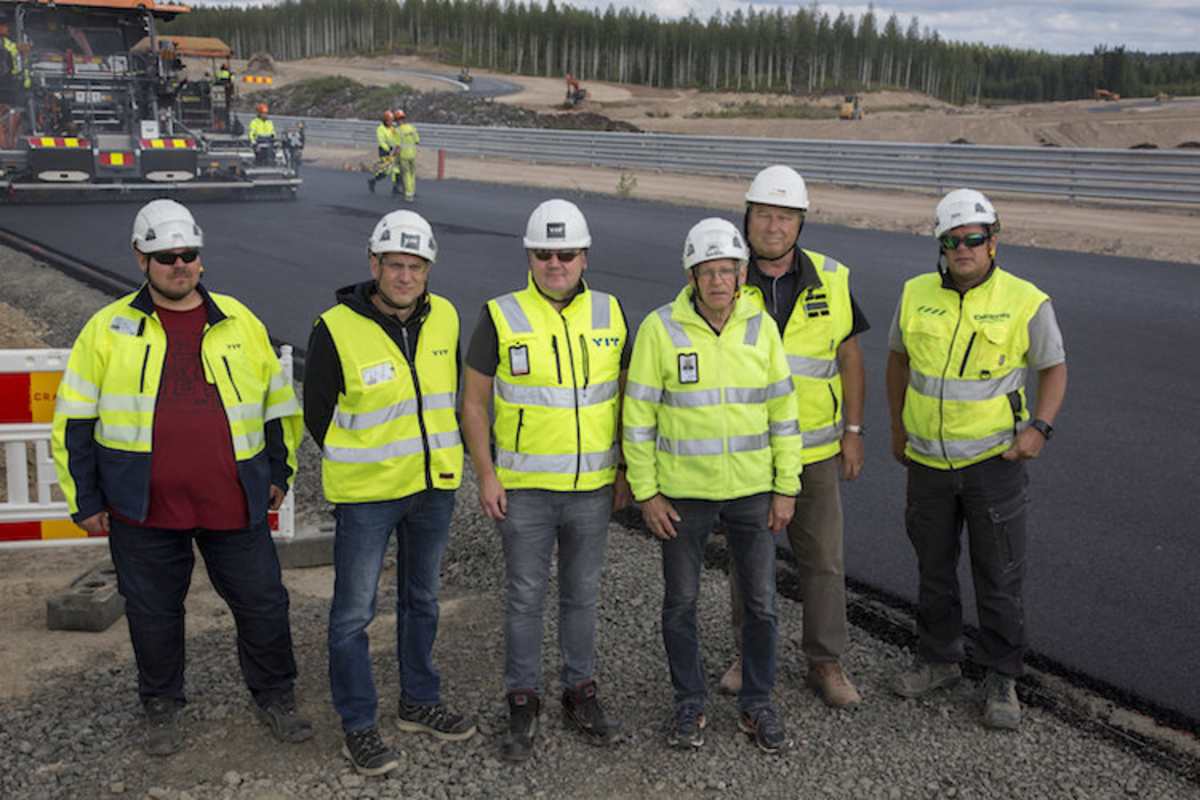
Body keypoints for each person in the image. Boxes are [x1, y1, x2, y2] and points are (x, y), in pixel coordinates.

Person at [50, 199, 311, 757]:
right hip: (141, 507)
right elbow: (73, 419)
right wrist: (86, 499)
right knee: (152, 613)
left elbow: (278, 409)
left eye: (188, 254)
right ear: (141, 259)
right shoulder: (108, 329)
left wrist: (279, 472)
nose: (179, 265)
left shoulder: (240, 321)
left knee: (264, 604)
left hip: (232, 502)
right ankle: (161, 704)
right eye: (164, 256)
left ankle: (276, 696)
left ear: (200, 257)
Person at [885, 188, 1067, 730]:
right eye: (952, 240)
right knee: (934, 569)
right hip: (929, 465)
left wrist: (1040, 429)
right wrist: (897, 428)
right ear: (940, 245)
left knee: (999, 572)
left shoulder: (1026, 300)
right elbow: (897, 362)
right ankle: (939, 659)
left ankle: (1001, 677)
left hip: (994, 462)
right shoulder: (915, 293)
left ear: (993, 241)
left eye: (973, 239)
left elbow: (1054, 368)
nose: (962, 248)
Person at [304, 210, 476, 776]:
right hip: (368, 496)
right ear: (373, 265)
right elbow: (319, 414)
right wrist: (369, 462)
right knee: (354, 614)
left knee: (422, 600)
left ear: (428, 269)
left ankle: (418, 702)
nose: (405, 277)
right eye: (394, 265)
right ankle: (359, 725)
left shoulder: (446, 317)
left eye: (415, 266)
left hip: (433, 489)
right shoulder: (334, 327)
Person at [623, 217, 802, 754]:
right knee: (681, 603)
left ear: (743, 274)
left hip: (751, 492)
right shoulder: (661, 329)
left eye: (728, 271)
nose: (719, 281)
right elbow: (638, 419)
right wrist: (647, 493)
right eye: (708, 271)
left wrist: (786, 486)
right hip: (682, 497)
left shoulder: (761, 327)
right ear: (691, 275)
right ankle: (689, 702)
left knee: (762, 604)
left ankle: (758, 703)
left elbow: (783, 413)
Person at [461, 198, 629, 763]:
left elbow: (631, 400)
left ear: (585, 257)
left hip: (591, 490)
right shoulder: (500, 315)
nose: (555, 262)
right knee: (525, 598)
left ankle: (579, 691)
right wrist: (485, 474)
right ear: (529, 257)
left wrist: (626, 470)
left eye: (566, 253)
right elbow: (475, 403)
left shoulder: (611, 313)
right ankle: (523, 696)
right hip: (525, 490)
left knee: (582, 597)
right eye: (544, 253)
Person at [720, 165, 869, 707]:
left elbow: (850, 357)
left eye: (784, 217)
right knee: (748, 558)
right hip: (751, 452)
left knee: (824, 559)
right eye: (764, 215)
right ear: (748, 218)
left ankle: (825, 662)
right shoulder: (722, 277)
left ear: (800, 223)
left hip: (815, 451)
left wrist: (853, 431)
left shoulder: (832, 277)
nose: (773, 226)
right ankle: (748, 654)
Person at [393, 109, 419, 201]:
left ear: (397, 120)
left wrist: (394, 155)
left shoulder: (397, 130)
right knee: (412, 174)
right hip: (413, 155)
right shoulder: (412, 128)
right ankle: (412, 191)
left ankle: (408, 195)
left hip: (404, 156)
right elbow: (417, 141)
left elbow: (397, 146)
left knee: (406, 175)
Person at [367, 110, 395, 194]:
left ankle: (396, 187)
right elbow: (381, 141)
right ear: (386, 120)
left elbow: (395, 138)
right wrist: (388, 149)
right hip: (384, 151)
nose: (391, 122)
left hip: (392, 150)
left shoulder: (392, 128)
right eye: (390, 120)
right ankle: (373, 181)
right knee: (388, 170)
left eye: (392, 120)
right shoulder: (380, 129)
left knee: (393, 170)